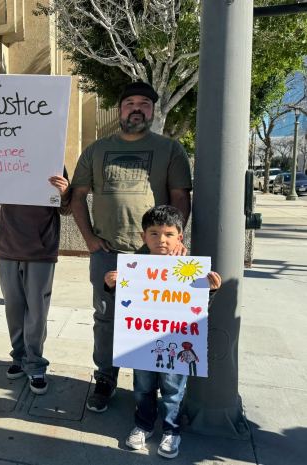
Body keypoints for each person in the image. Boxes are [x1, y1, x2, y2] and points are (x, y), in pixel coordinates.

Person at [70, 81, 193, 413]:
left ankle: (151, 391)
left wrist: (176, 241)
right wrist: (90, 240)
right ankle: (105, 380)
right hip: (107, 252)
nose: (136, 108)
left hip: (152, 257)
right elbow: (78, 196)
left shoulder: (170, 150)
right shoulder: (96, 150)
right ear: (120, 109)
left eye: (144, 104)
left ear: (152, 111)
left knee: (156, 324)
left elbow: (181, 197)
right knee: (107, 320)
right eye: (129, 103)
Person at [103, 205, 221, 459]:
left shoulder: (188, 269)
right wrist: (112, 286)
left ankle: (171, 430)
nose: (161, 240)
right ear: (143, 236)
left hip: (177, 344)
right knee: (143, 386)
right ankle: (143, 425)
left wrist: (208, 290)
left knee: (173, 389)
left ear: (180, 236)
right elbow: (128, 306)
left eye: (168, 234)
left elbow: (195, 311)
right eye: (154, 233)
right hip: (141, 342)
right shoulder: (135, 267)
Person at [0, 173, 71, 395]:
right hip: (8, 248)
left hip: (41, 251)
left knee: (37, 312)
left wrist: (65, 192)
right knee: (13, 309)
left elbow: (66, 208)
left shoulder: (52, 157)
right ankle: (19, 356)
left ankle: (35, 363)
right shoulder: (3, 157)